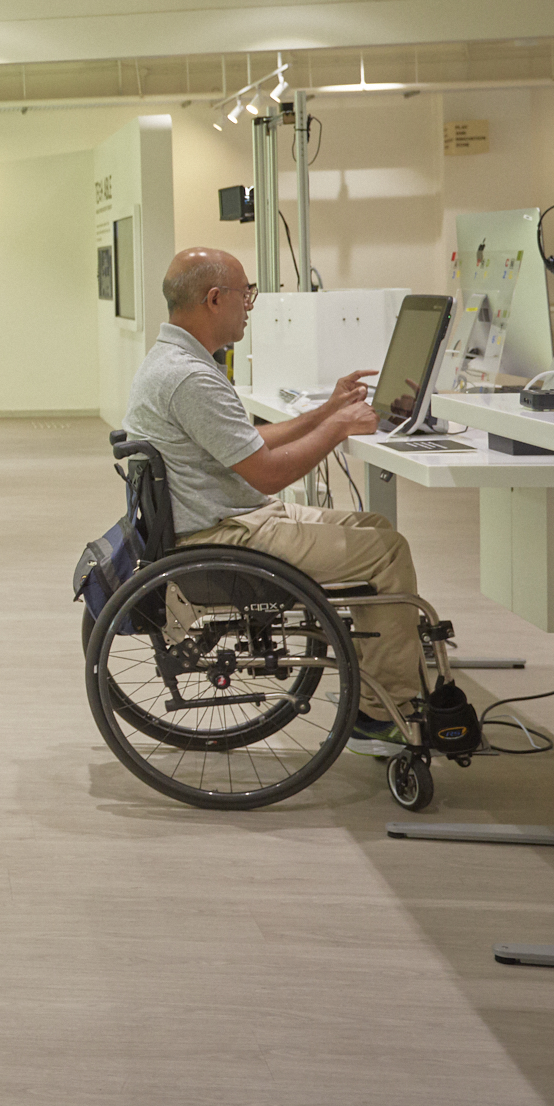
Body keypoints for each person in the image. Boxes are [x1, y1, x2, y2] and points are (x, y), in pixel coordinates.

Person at [122, 247, 429, 752]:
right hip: (227, 531)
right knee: (387, 553)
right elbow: (266, 474)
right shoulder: (190, 378)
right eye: (247, 293)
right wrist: (336, 429)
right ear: (215, 298)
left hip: (224, 517)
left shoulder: (173, 363)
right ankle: (382, 711)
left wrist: (326, 412)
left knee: (373, 526)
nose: (250, 304)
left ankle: (384, 670)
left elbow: (251, 442)